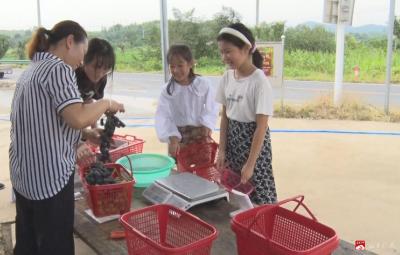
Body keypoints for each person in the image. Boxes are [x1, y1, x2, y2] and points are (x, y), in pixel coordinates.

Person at [9, 20, 124, 255]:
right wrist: (107, 103)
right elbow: (77, 117)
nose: (82, 60)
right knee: (55, 246)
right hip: (49, 178)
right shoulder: (58, 68)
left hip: (24, 177)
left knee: (28, 245)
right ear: (70, 42)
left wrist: (86, 134)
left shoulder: (31, 69)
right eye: (83, 52)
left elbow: (47, 122)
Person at [215, 23, 277, 205]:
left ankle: (264, 228)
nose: (224, 57)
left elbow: (261, 126)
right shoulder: (227, 78)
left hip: (254, 148)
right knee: (237, 193)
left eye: (228, 51)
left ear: (246, 48)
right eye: (221, 52)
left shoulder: (259, 81)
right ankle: (242, 227)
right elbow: (225, 118)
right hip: (233, 144)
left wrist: (250, 164)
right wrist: (222, 150)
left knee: (259, 192)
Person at [155, 44, 218, 158]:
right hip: (177, 135)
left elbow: (212, 107)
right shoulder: (167, 91)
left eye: (180, 65)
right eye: (172, 66)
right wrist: (173, 138)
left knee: (202, 169)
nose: (176, 70)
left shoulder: (203, 84)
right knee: (181, 171)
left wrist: (207, 125)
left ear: (190, 64)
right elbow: (163, 116)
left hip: (201, 132)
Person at [76, 38, 115, 103]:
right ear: (85, 60)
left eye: (106, 69)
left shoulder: (103, 79)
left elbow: (97, 102)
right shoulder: (73, 74)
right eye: (95, 67)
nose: (99, 74)